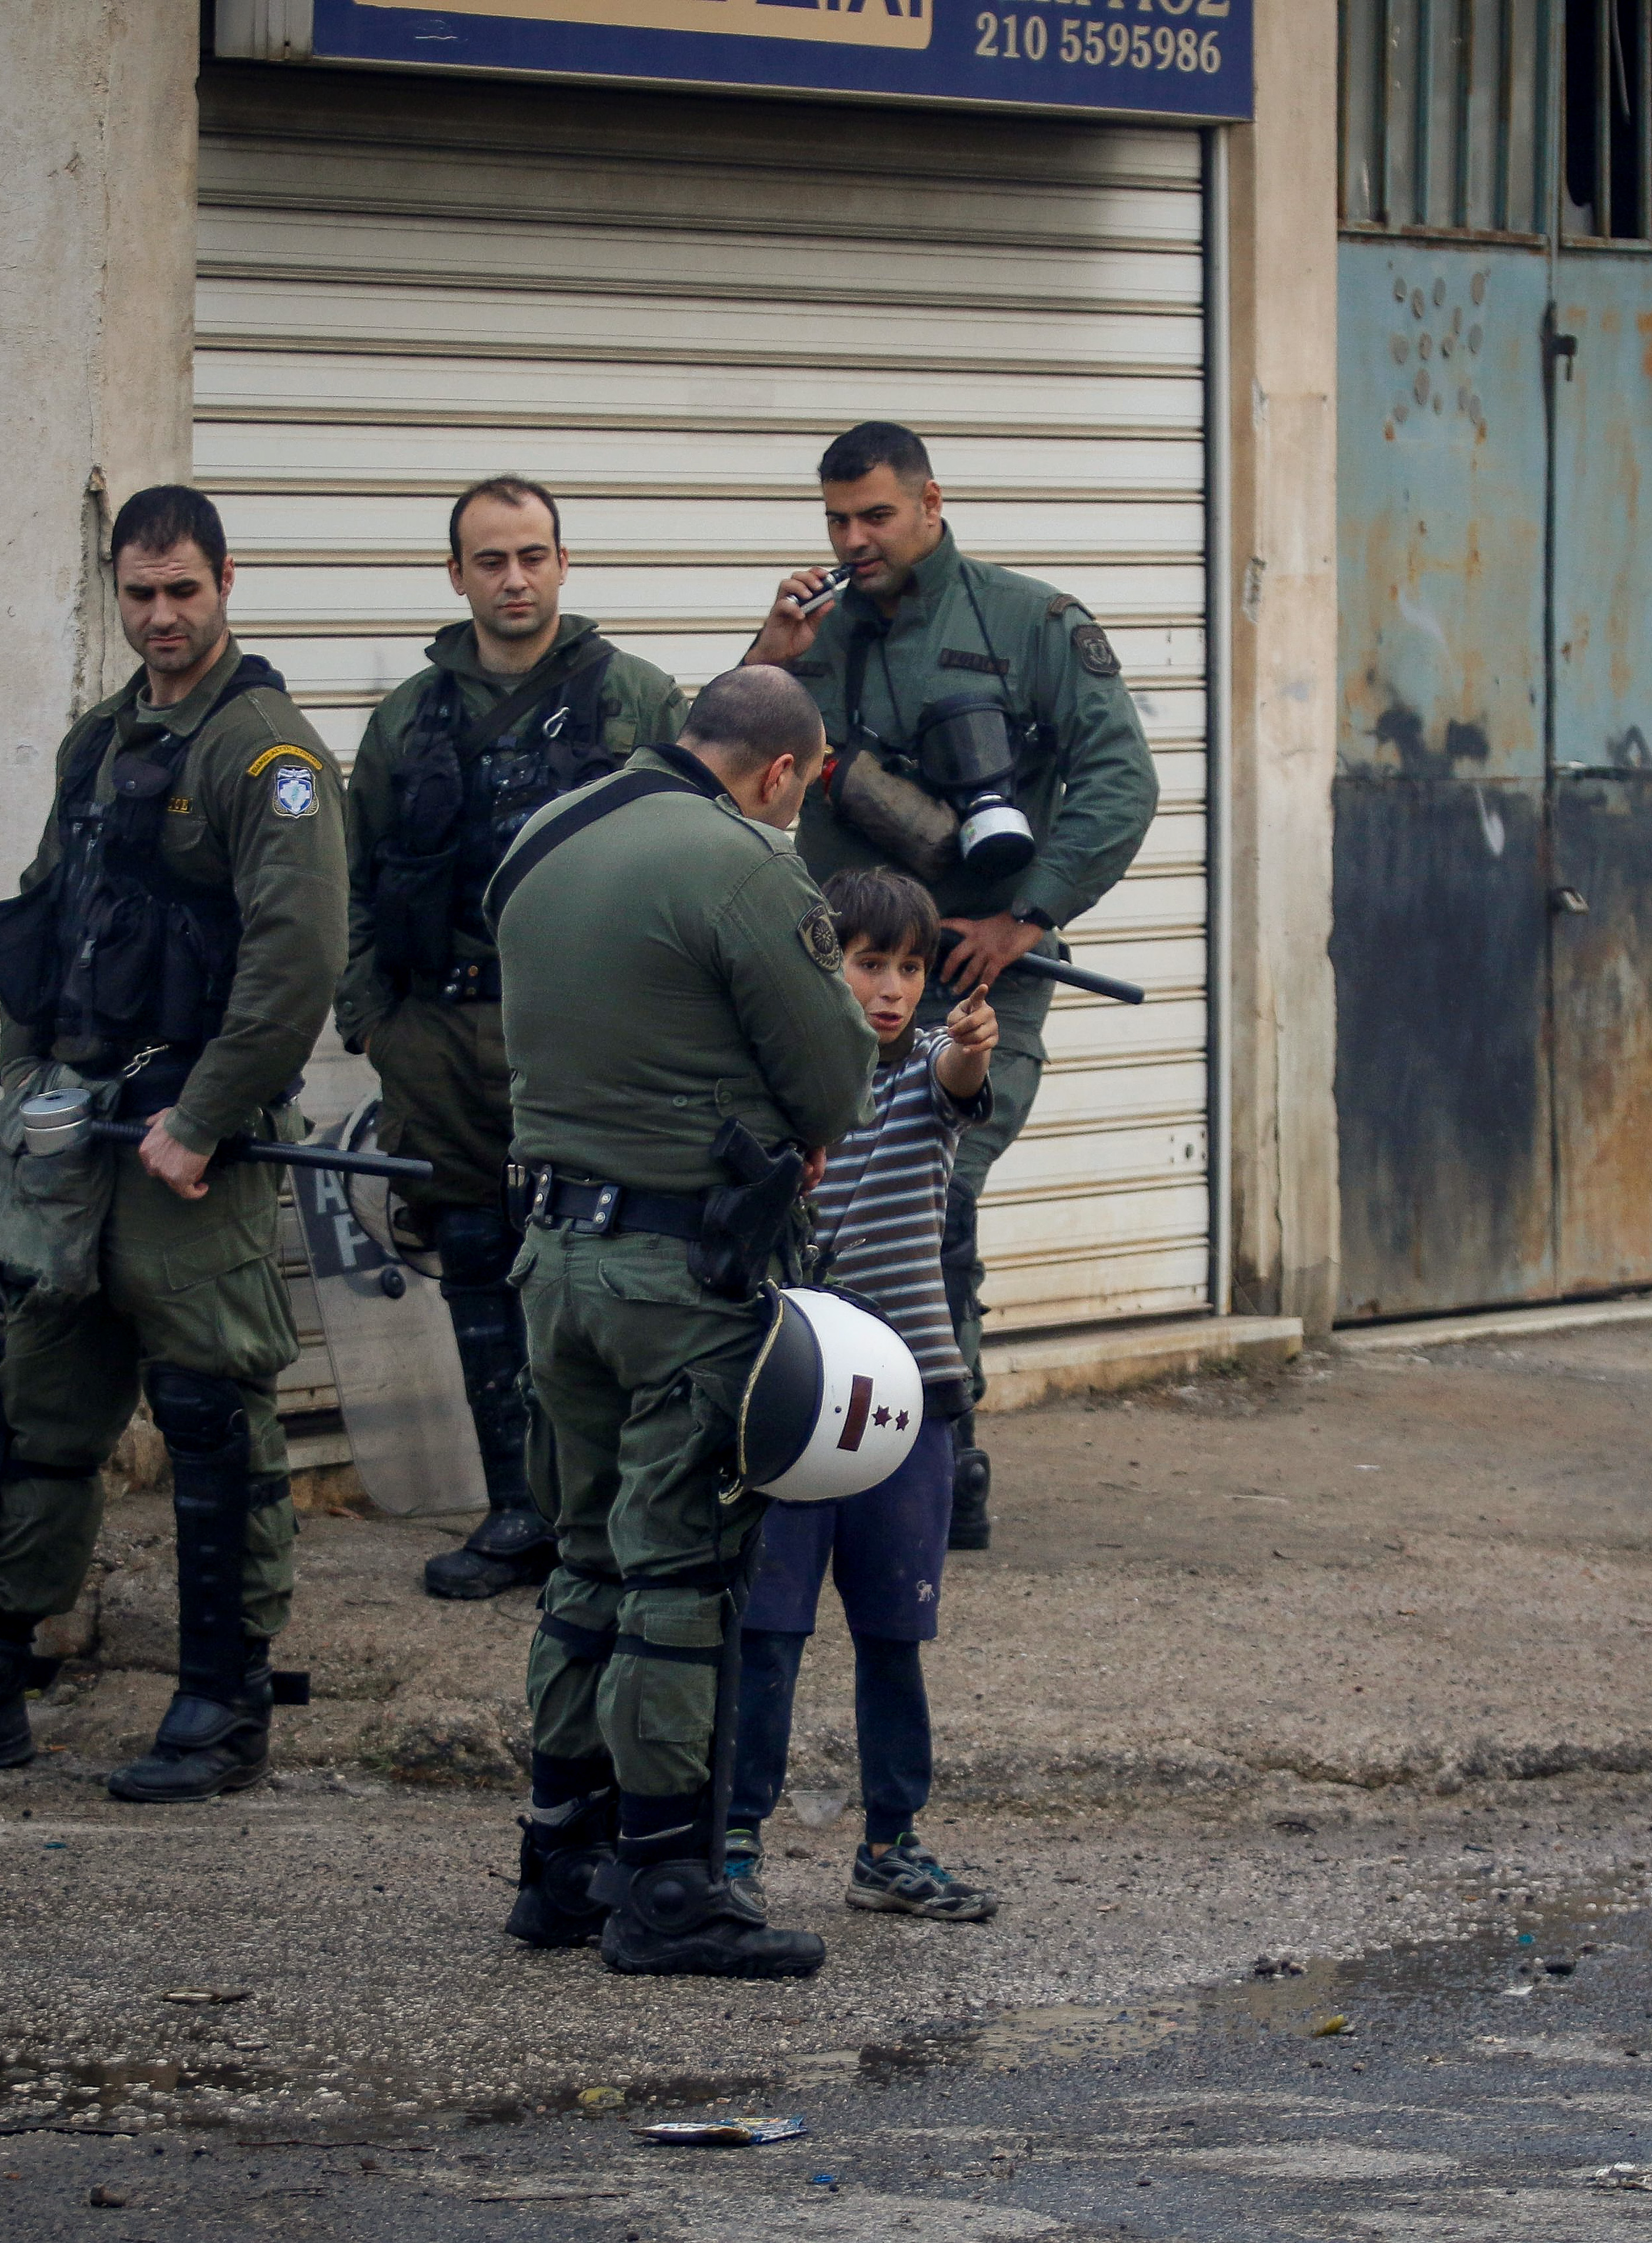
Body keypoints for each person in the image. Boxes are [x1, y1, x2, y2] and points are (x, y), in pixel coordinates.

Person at [0, 485, 346, 1803]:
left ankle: (224, 1705)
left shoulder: (268, 756)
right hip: (77, 1141)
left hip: (189, 1152)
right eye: (139, 594)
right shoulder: (99, 742)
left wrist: (204, 1118)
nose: (161, 617)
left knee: (212, 1414)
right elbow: (46, 929)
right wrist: (23, 1101)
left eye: (182, 590)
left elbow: (296, 966)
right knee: (41, 1405)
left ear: (227, 581)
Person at [489, 664, 877, 1978]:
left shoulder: (547, 833)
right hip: (680, 1280)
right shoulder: (747, 866)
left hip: (552, 1262)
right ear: (785, 774)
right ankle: (669, 1887)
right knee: (678, 1576)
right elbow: (832, 1081)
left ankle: (561, 1864)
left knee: (586, 1560)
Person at [745, 421, 1157, 1552]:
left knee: (945, 1190)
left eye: (874, 515)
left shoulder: (1032, 623)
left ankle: (945, 1443)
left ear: (932, 501)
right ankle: (819, 1428)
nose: (852, 539)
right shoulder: (812, 631)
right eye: (835, 519)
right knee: (807, 1192)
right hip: (833, 975)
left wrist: (1027, 917)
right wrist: (771, 651)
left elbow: (1122, 781)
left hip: (977, 967)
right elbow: (728, 761)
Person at [336, 476, 689, 1601]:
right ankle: (513, 1511)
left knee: (599, 1267)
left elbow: (703, 851)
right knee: (480, 1271)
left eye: (532, 555)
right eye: (490, 560)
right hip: (439, 1026)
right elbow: (352, 879)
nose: (514, 579)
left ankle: (606, 1516)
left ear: (564, 561)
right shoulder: (406, 719)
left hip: (587, 1029)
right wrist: (373, 1023)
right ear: (457, 576)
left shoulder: (637, 698)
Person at [726, 866, 1001, 1924]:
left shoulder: (931, 1068)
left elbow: (962, 1077)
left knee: (895, 1632)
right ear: (821, 964)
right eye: (867, 963)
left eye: (910, 968)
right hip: (791, 1403)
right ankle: (737, 1838)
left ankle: (892, 1844)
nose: (890, 988)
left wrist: (971, 1046)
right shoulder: (775, 1081)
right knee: (770, 1630)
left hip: (914, 1401)